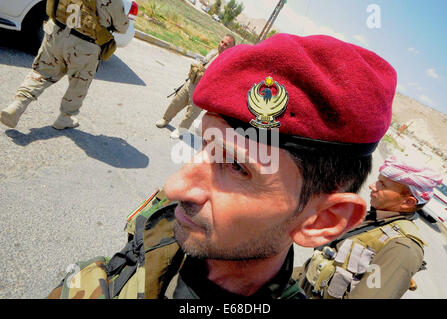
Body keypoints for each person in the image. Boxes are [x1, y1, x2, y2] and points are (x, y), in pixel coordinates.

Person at [47, 33, 398, 299]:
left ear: (321, 221)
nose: (176, 187)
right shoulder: (168, 220)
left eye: (237, 167)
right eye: (203, 144)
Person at [298, 156, 443, 299]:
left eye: (383, 185)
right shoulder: (377, 219)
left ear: (407, 202)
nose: (372, 186)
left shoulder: (403, 248)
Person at [0, 0, 129, 130]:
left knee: (42, 73)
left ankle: (17, 105)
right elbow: (122, 27)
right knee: (79, 83)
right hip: (84, 44)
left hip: (56, 32)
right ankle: (65, 118)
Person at [155, 34, 235, 139]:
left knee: (191, 113)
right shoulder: (213, 53)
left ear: (232, 48)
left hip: (204, 91)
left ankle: (181, 130)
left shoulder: (228, 63)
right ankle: (165, 119)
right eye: (222, 42)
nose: (222, 45)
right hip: (192, 83)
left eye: (226, 44)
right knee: (176, 102)